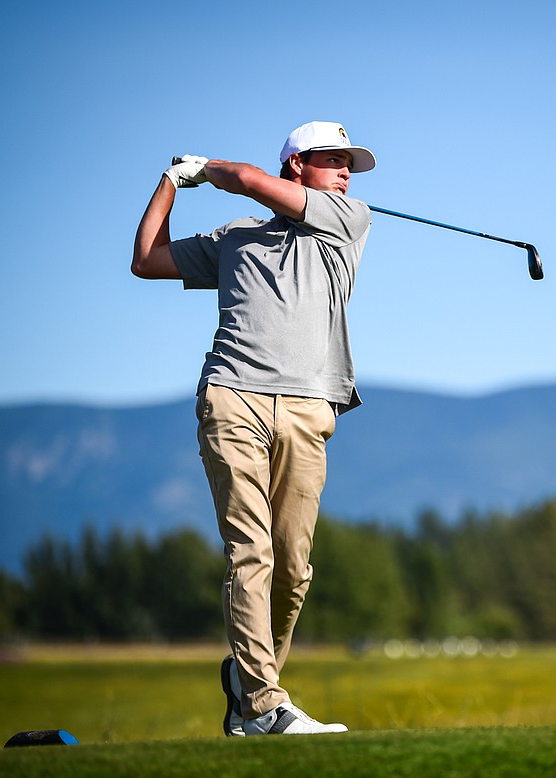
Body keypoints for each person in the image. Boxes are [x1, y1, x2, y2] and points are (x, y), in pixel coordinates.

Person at [131, 121, 376, 736]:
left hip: (307, 408)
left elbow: (243, 179)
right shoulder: (235, 237)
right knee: (252, 552)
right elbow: (146, 261)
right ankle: (263, 705)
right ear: (298, 165)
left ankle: (246, 685)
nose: (347, 172)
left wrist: (207, 168)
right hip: (231, 399)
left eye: (350, 163)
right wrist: (170, 183)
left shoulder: (347, 221)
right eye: (333, 160)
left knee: (294, 566)